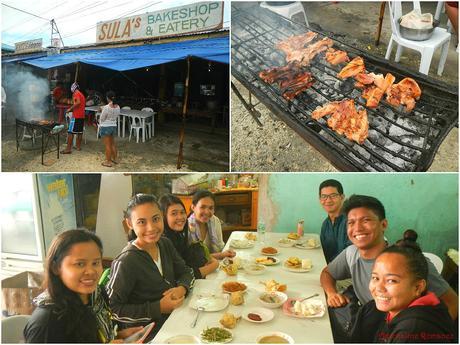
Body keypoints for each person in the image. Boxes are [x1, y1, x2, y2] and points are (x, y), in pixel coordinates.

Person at [320, 195, 458, 342]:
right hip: (377, 327)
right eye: (351, 223)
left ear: (383, 225)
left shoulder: (408, 262)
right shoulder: (351, 253)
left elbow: (452, 302)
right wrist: (331, 293)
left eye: (366, 220)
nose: (357, 228)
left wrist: (430, 335)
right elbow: (327, 272)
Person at [23, 229, 142, 343]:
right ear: (56, 268)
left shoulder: (97, 296)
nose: (91, 271)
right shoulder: (47, 322)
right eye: (80, 264)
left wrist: (119, 336)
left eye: (95, 263)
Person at [106, 194, 194, 337]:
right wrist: (158, 308)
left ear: (162, 216)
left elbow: (186, 271)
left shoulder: (164, 244)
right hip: (148, 334)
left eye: (155, 219)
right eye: (141, 222)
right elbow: (112, 309)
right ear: (129, 224)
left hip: (175, 319)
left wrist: (182, 288)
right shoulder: (126, 262)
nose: (151, 227)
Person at [352, 232, 456, 343]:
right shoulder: (393, 310)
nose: (379, 288)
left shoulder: (412, 331)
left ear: (418, 287)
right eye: (375, 278)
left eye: (391, 280)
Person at [159, 194, 219, 279]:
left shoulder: (179, 235)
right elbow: (182, 276)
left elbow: (188, 264)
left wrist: (210, 259)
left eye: (182, 212)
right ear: (163, 217)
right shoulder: (163, 242)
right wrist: (213, 265)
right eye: (174, 213)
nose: (180, 217)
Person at [188, 190, 236, 260]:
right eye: (202, 207)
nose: (207, 212)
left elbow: (220, 246)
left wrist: (227, 253)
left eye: (211, 208)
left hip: (215, 264)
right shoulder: (186, 227)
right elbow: (192, 259)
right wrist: (220, 255)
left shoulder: (215, 221)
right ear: (193, 207)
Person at [318, 179, 352, 263]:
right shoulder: (325, 224)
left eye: (333, 196)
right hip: (328, 267)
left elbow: (351, 256)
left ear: (342, 197)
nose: (328, 200)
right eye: (324, 196)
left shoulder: (351, 221)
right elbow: (322, 251)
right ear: (320, 200)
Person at [61, 82, 86, 154]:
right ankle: (78, 147)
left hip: (76, 116)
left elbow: (77, 102)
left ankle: (68, 149)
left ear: (73, 88)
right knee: (79, 132)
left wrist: (70, 109)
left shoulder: (76, 93)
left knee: (70, 132)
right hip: (82, 116)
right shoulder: (81, 94)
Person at [99, 91, 119, 167]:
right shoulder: (118, 107)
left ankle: (108, 161)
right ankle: (115, 159)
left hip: (106, 126)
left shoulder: (107, 107)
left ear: (107, 98)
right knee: (112, 143)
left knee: (107, 145)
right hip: (113, 126)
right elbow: (117, 115)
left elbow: (102, 118)